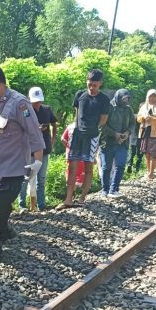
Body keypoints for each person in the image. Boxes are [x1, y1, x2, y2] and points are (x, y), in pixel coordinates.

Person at [0, 64, 45, 261]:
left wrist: (37, 162)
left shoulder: (20, 103)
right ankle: (4, 229)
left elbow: (34, 133)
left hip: (12, 168)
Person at [58, 69, 111, 209]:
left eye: (95, 85)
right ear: (86, 82)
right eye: (89, 84)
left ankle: (82, 198)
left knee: (88, 167)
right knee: (72, 167)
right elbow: (77, 113)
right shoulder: (80, 95)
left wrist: (92, 129)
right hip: (77, 135)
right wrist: (77, 129)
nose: (92, 87)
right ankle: (68, 199)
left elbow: (103, 119)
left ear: (100, 83)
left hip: (92, 136)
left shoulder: (104, 99)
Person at [18, 87, 57, 212]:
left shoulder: (46, 110)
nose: (37, 104)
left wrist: (52, 140)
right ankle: (22, 204)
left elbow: (54, 124)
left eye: (39, 101)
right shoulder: (25, 111)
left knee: (41, 178)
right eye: (35, 102)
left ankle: (41, 205)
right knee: (25, 177)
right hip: (28, 149)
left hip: (44, 148)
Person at [100, 89, 136, 198]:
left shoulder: (128, 109)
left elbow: (132, 124)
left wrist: (127, 133)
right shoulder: (108, 107)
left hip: (123, 142)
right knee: (106, 167)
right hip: (108, 141)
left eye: (128, 99)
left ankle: (114, 189)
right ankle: (105, 189)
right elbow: (102, 125)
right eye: (124, 99)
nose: (126, 101)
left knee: (120, 165)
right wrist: (114, 134)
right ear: (118, 97)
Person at [136, 89, 156, 180]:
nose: (152, 98)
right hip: (145, 131)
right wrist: (143, 118)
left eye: (154, 96)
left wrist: (152, 118)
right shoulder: (144, 107)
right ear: (147, 97)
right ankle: (148, 171)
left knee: (154, 153)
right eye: (150, 96)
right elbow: (138, 118)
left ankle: (152, 173)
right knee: (146, 152)